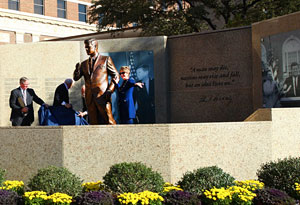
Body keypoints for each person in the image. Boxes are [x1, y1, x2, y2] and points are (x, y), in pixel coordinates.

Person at [73, 38, 119, 125]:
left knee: (109, 120)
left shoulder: (105, 59)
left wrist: (110, 90)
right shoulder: (83, 64)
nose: (86, 49)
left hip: (103, 95)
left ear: (95, 46)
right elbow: (76, 78)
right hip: (90, 97)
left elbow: (116, 75)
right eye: (85, 48)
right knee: (94, 122)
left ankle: (115, 137)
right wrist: (76, 70)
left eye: (88, 47)